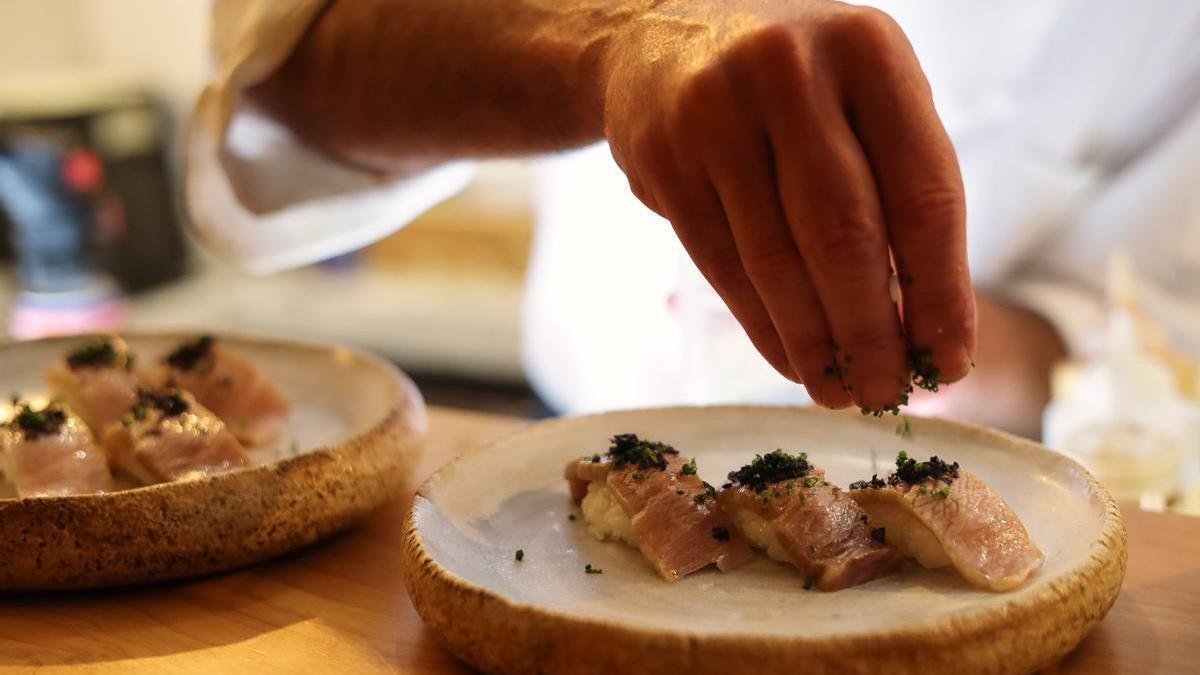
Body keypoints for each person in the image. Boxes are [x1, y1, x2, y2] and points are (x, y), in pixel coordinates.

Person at [188, 0, 1200, 438]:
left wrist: (928, 359)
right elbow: (285, 51)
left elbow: (1163, 315)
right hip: (584, 447)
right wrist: (615, 42)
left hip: (986, 479)